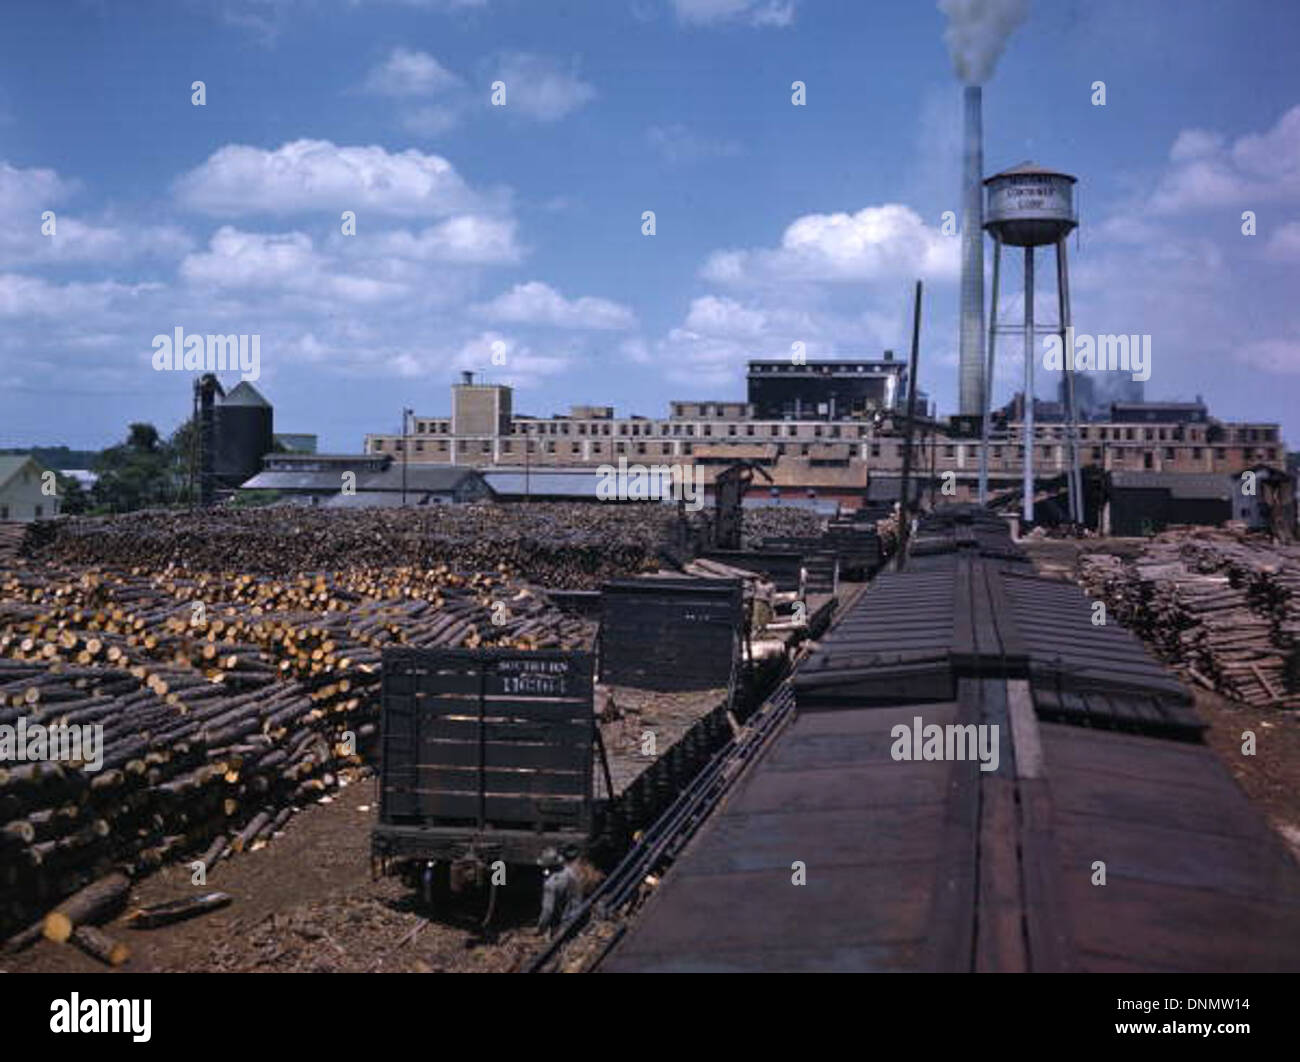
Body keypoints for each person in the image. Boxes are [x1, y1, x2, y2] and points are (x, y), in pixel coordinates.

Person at [536, 845, 582, 936]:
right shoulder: (570, 872)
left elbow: (547, 910)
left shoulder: (551, 884)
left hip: (561, 924)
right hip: (575, 917)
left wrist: (541, 928)